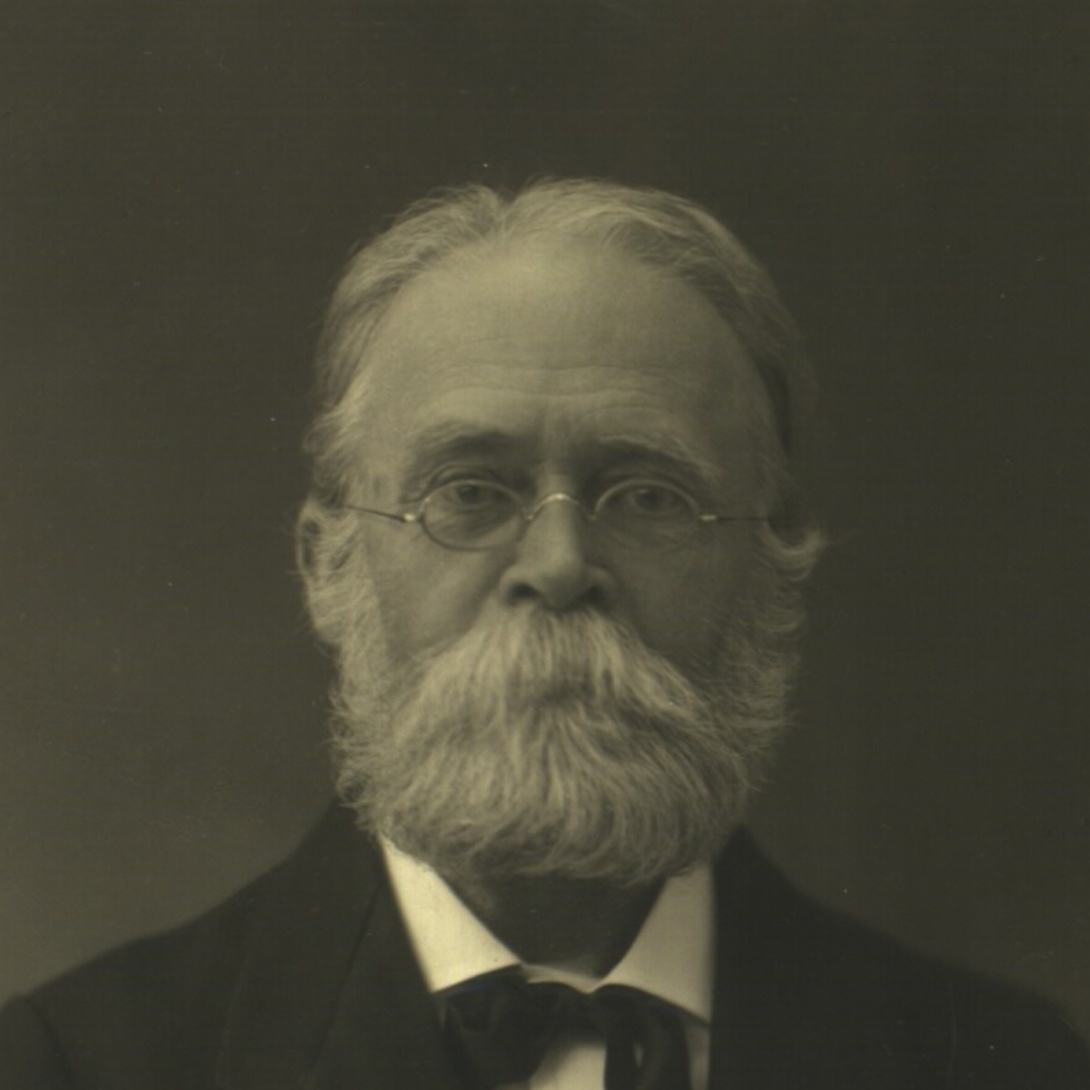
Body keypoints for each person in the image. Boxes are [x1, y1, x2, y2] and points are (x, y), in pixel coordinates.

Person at [0, 178, 1086, 1090]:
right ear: (327, 563)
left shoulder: (1005, 1067)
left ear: (775, 564)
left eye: (649, 496)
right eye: (469, 493)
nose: (560, 565)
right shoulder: (69, 1067)